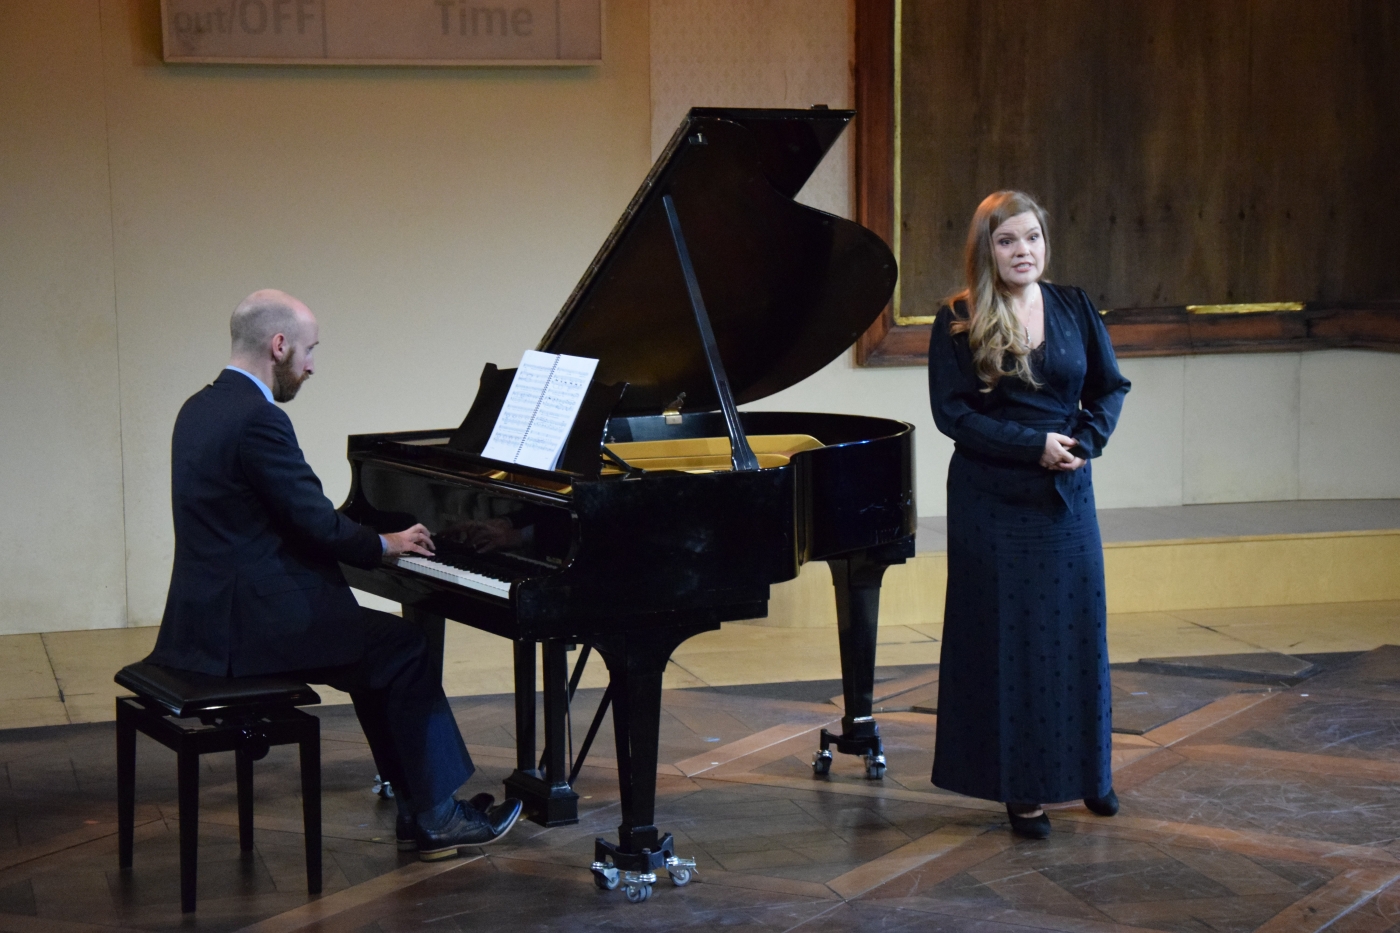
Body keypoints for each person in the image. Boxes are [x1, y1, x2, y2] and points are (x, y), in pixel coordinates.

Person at [146, 288, 522, 860]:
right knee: (402, 649)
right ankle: (437, 816)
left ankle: (419, 806)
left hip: (205, 619)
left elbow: (283, 518)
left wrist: (365, 543)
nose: (312, 365)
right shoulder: (259, 421)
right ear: (278, 346)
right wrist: (385, 544)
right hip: (255, 628)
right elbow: (316, 524)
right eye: (309, 350)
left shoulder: (199, 406)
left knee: (381, 656)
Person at [926, 192, 1131, 839]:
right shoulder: (958, 317)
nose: (1024, 252)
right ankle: (1024, 789)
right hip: (993, 500)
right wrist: (1031, 445)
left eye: (1032, 238)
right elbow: (953, 414)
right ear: (987, 249)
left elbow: (1108, 387)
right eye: (1008, 240)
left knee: (1077, 635)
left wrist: (1085, 442)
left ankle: (1088, 773)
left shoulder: (1073, 306)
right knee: (1011, 646)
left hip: (1067, 496)